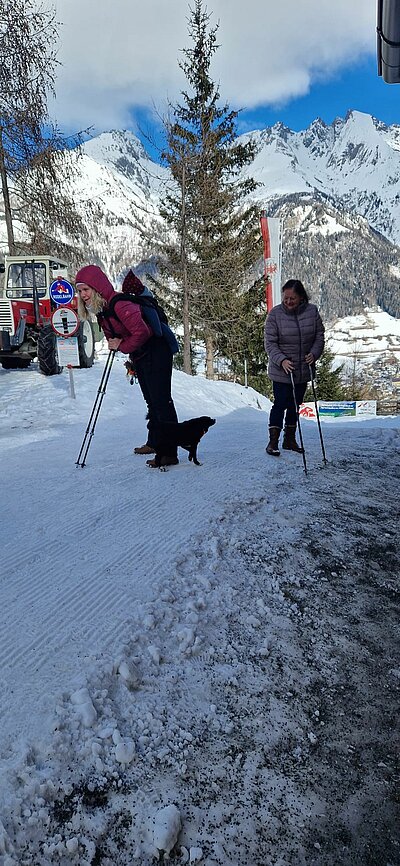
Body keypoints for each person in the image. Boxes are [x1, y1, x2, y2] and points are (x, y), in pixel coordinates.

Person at [75, 264, 179, 466]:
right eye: (79, 291)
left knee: (161, 401)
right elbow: (115, 334)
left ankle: (169, 453)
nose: (83, 295)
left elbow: (142, 332)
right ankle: (155, 442)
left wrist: (121, 345)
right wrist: (119, 344)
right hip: (141, 354)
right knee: (152, 401)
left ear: (97, 287)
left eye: (85, 289)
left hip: (157, 351)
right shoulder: (103, 310)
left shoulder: (119, 304)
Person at [264, 278, 325, 456]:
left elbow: (319, 336)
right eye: (286, 298)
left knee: (295, 405)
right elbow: (270, 343)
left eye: (293, 298)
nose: (289, 302)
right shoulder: (275, 315)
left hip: (303, 369)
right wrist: (281, 360)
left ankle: (289, 440)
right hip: (282, 370)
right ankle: (273, 441)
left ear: (301, 298)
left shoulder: (312, 312)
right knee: (280, 404)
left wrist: (314, 353)